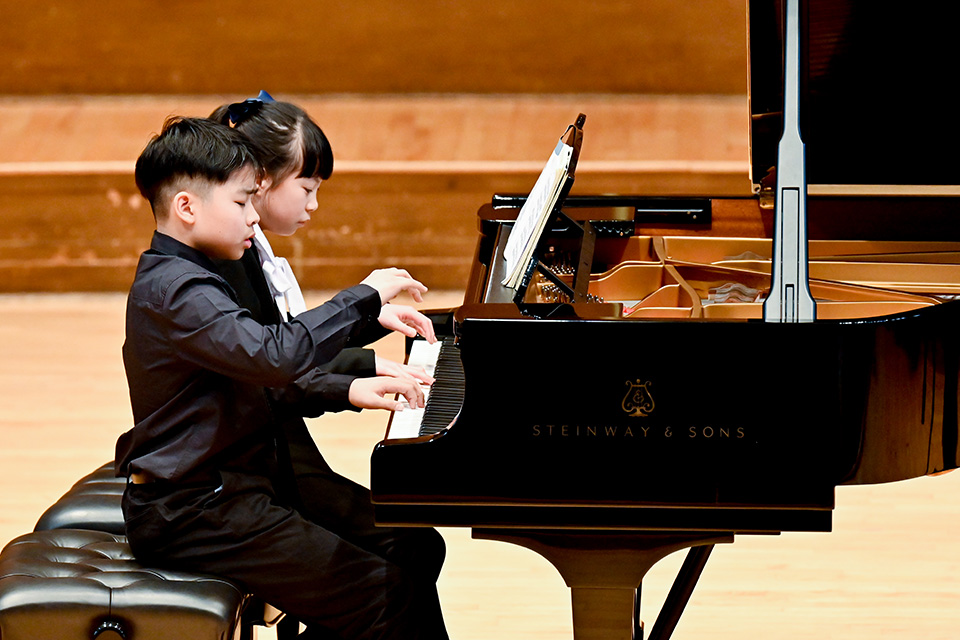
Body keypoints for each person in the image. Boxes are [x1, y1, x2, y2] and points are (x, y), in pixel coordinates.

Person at [115, 115, 448, 639]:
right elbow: (275, 355)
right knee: (384, 593)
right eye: (243, 202)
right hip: (196, 509)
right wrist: (363, 295)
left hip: (242, 484)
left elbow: (264, 375)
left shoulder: (200, 273)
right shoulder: (177, 292)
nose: (254, 218)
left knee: (412, 545)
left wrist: (350, 386)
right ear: (186, 206)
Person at [206, 92, 449, 636]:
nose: (314, 204)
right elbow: (275, 362)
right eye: (308, 189)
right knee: (394, 576)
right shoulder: (218, 265)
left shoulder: (246, 251)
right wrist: (355, 377)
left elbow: (286, 345)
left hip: (274, 456)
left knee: (416, 546)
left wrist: (368, 348)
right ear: (260, 181)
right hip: (255, 470)